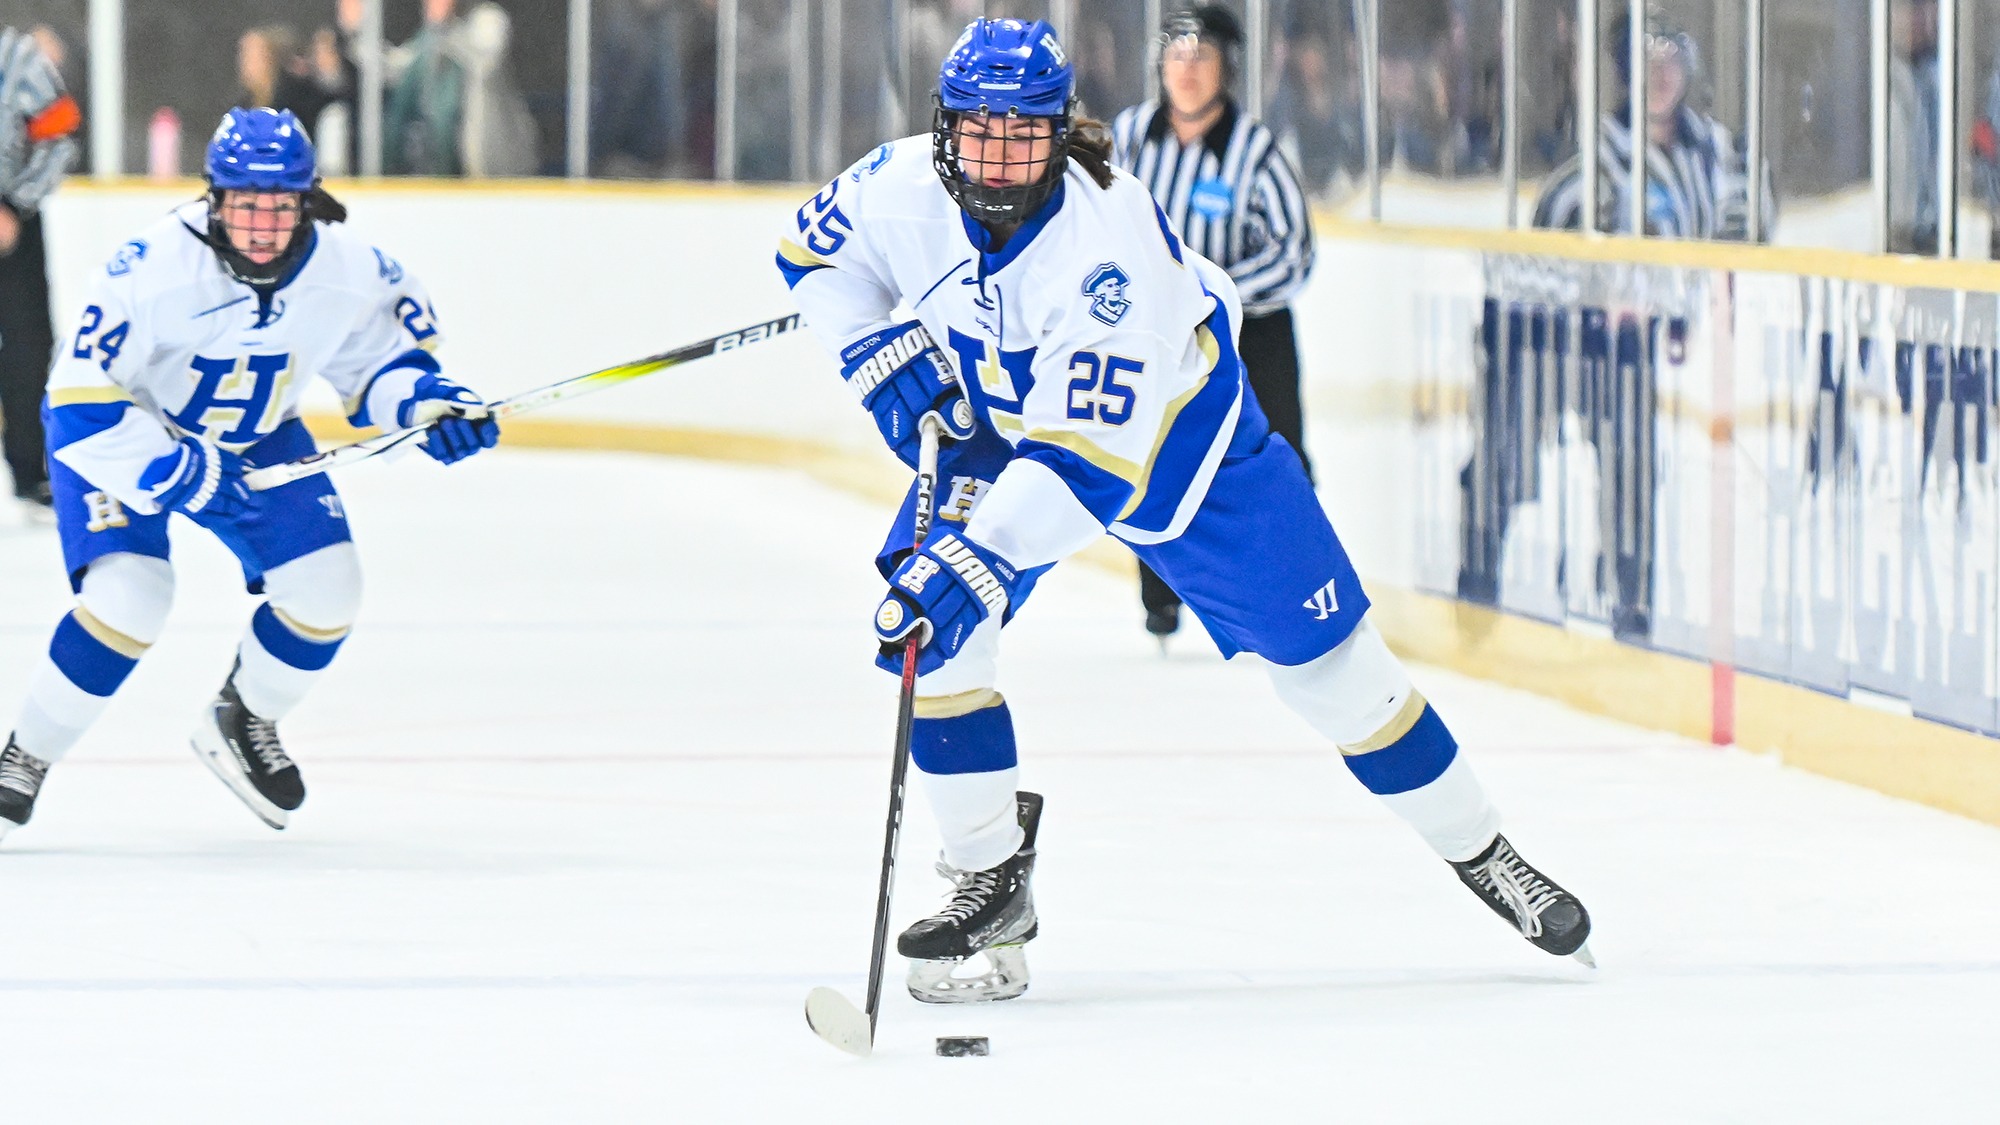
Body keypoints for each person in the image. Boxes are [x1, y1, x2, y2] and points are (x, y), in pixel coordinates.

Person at [776, 18, 1594, 1005]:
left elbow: (1086, 471)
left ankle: (1482, 849)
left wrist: (977, 557)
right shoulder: (897, 184)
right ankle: (990, 881)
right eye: (976, 135)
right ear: (943, 132)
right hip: (1004, 431)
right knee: (931, 632)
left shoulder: (1106, 255)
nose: (995, 161)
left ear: (1058, 135)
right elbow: (807, 256)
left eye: (1020, 136)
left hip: (1180, 452)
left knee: (1339, 679)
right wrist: (871, 345)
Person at [0, 108, 500, 842]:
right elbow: (77, 399)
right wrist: (174, 471)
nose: (262, 224)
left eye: (279, 205)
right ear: (215, 198)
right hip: (129, 437)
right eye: (245, 204)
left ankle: (243, 716)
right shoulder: (152, 268)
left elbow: (385, 369)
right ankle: (26, 754)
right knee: (132, 597)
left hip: (255, 436)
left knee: (331, 586)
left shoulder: (352, 269)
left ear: (308, 202)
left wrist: (428, 407)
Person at [1109, 5, 1316, 646]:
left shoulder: (1254, 150)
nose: (1187, 70)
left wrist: (1214, 294)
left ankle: (1294, 589)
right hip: (1156, 332)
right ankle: (1162, 596)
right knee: (1154, 454)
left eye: (1201, 57)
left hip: (1248, 334)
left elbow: (1294, 250)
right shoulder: (1130, 138)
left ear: (1226, 68)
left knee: (1275, 459)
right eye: (1176, 55)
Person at [1531, 5, 1771, 240]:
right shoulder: (1597, 163)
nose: (1659, 73)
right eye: (1645, 60)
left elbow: (1744, 245)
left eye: (1671, 59)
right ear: (1626, 71)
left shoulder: (1720, 151)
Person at [0, 26, 79, 519]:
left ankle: (32, 473)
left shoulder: (17, 57)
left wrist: (15, 204)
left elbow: (63, 134)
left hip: (13, 229)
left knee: (29, 350)